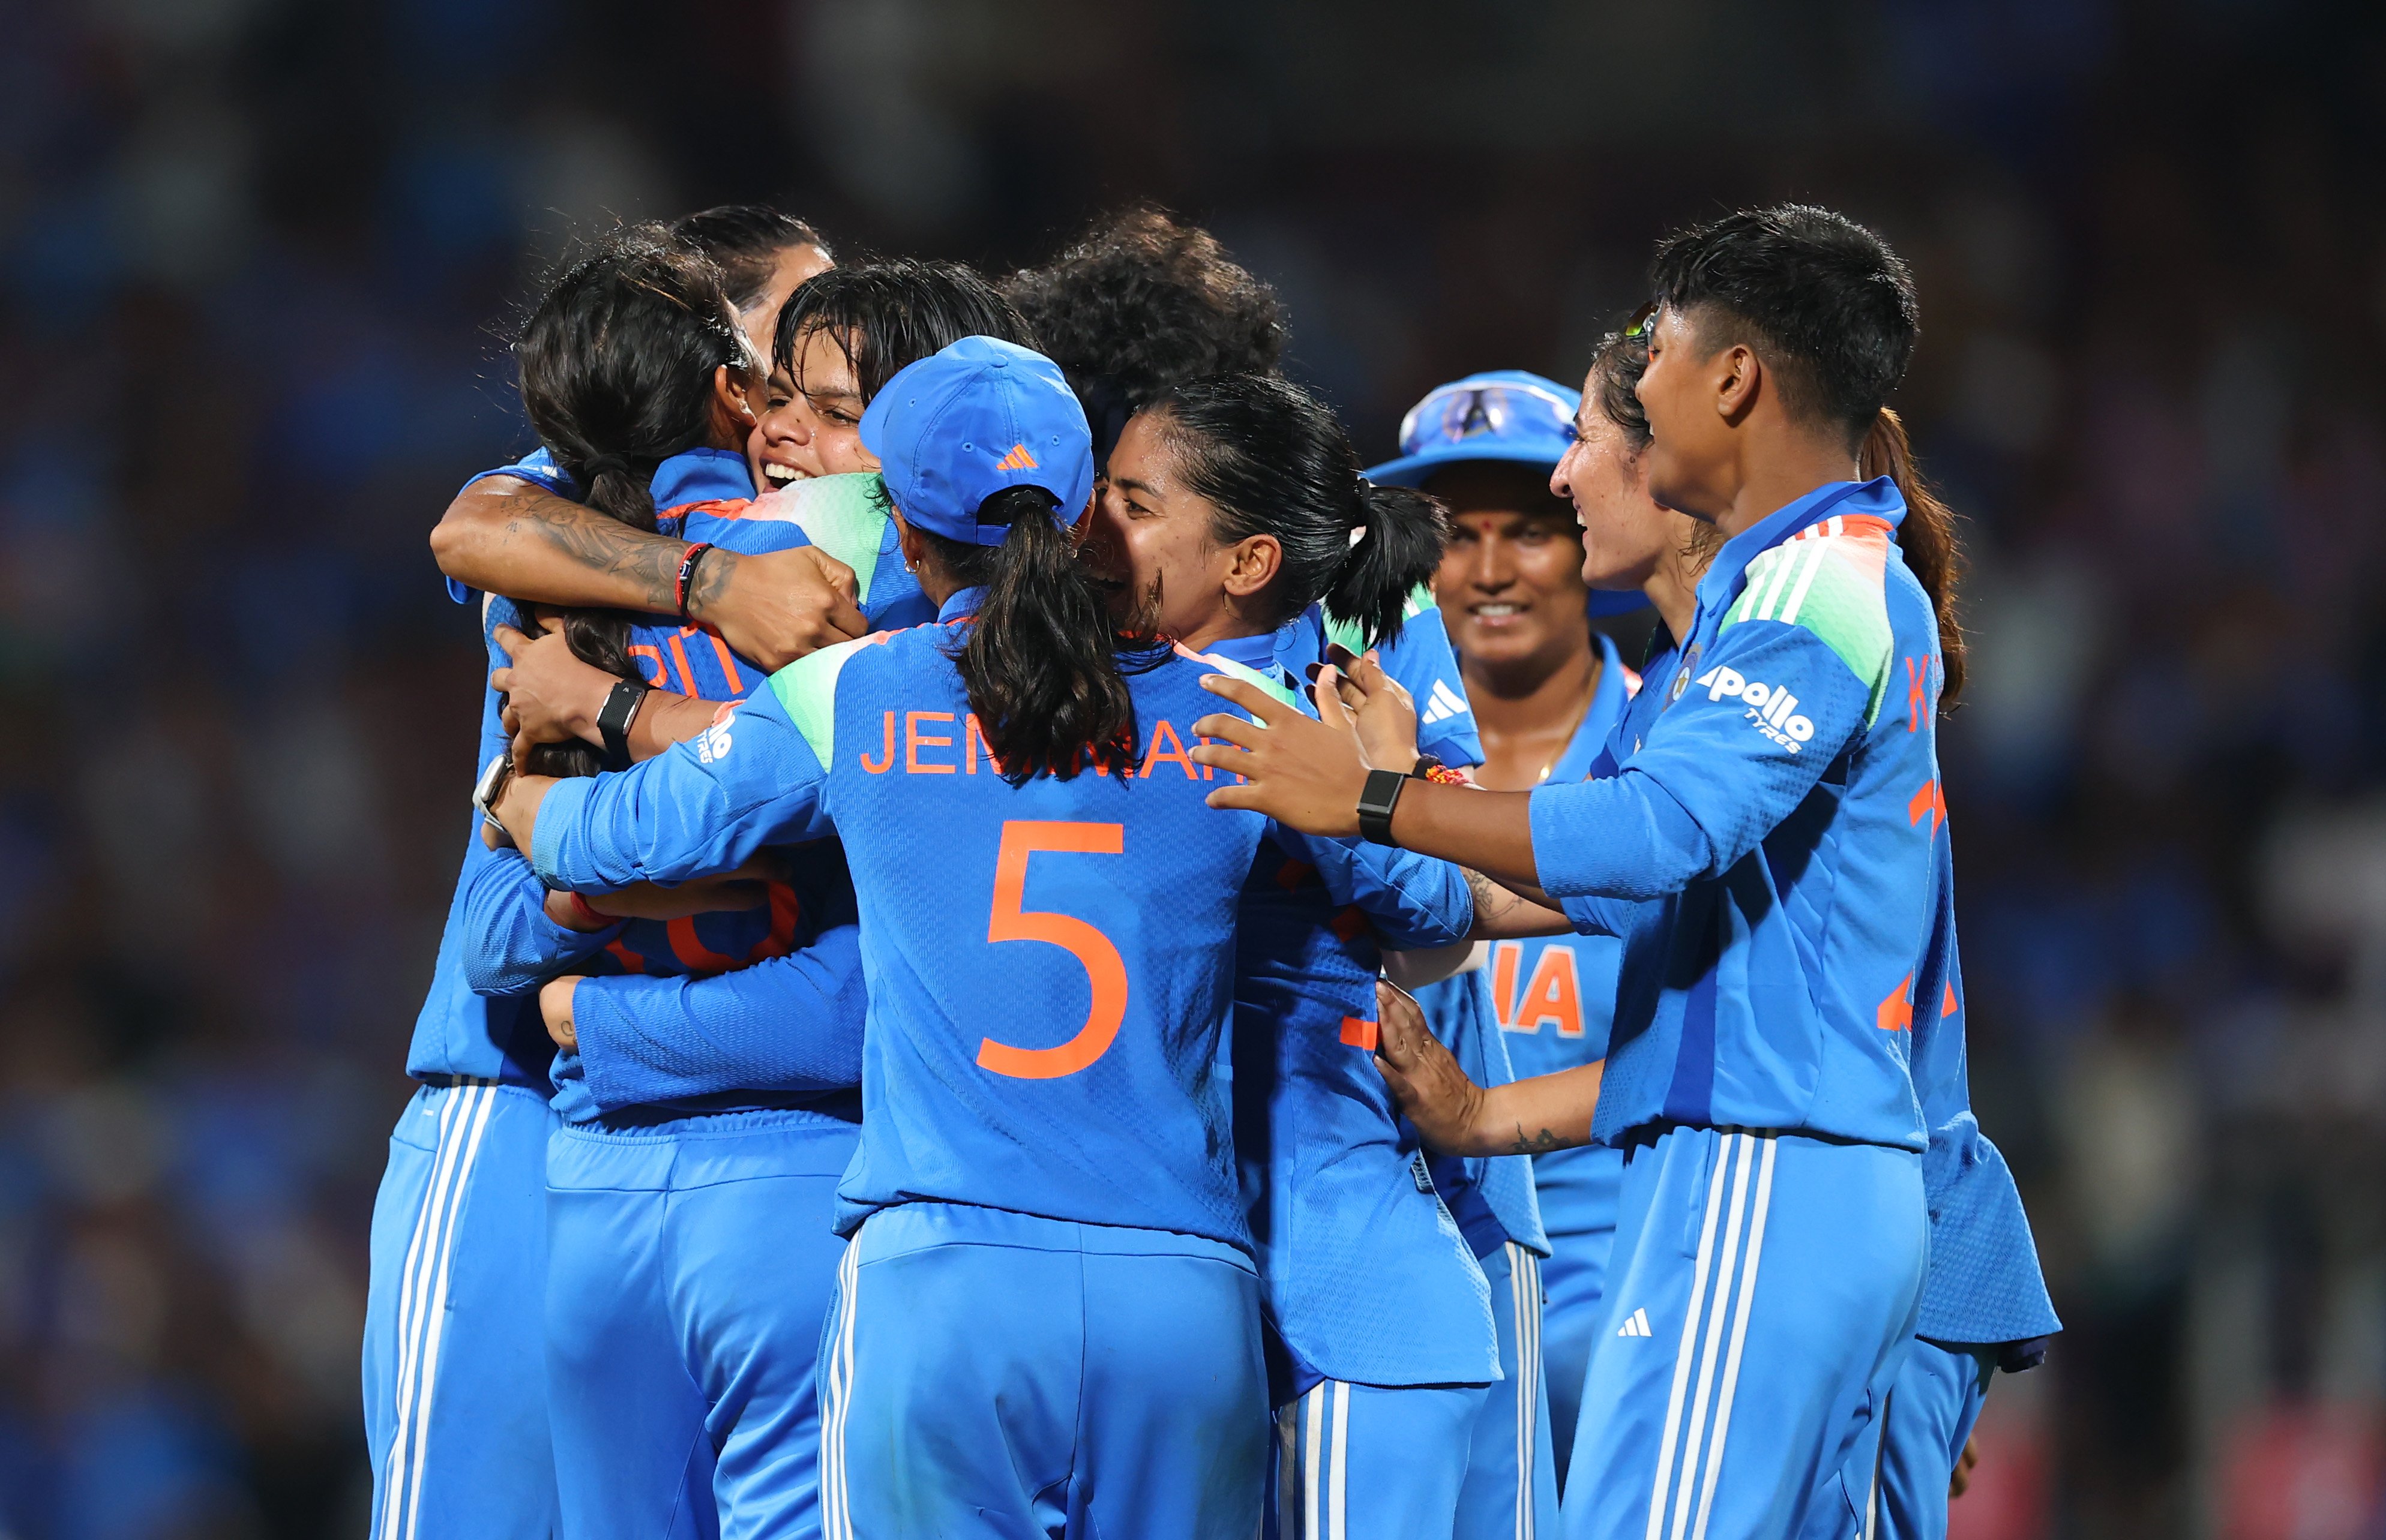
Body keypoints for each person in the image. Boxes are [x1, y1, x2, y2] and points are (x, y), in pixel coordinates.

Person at [485, 336, 1476, 1540]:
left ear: (904, 533)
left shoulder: (851, 690)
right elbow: (1427, 904)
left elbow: (618, 836)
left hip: (943, 1277)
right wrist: (1383, 766)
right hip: (1177, 1293)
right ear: (1072, 519)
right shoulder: (1242, 712)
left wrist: (528, 797)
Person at [1188, 205, 1968, 1539]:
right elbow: (1633, 876)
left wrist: (1370, 795)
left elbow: (1660, 831)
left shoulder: (1811, 587)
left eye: (1652, 352)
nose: (1552, 486)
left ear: (1731, 378)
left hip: (1759, 1170)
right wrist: (1397, 824)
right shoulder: (1793, 596)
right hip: (1794, 1176)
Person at [467, 255, 1036, 1540]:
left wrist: (589, 984)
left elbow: (853, 1004)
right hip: (726, 1178)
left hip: (660, 1156)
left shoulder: (573, 608)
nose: (780, 430)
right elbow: (491, 939)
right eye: (775, 396)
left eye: (830, 409)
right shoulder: (666, 589)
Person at [362, 225, 787, 1540]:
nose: (810, 374)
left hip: (716, 1117)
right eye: (792, 327)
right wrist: (716, 583)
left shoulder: (842, 531)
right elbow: (471, 519)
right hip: (510, 1103)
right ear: (716, 359)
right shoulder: (579, 494)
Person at [1083, 373, 1509, 1540]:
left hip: (1339, 1309)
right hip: (1231, 1289)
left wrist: (1360, 789)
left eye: (1132, 501)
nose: (1091, 526)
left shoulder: (1267, 707)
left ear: (1246, 561)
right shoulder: (1155, 693)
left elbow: (1436, 910)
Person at [428, 208, 867, 671]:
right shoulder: (600, 462)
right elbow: (467, 532)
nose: (840, 340)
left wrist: (611, 707)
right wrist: (714, 580)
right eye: (807, 317)